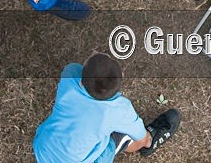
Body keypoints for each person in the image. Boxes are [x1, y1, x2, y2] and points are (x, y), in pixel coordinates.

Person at [34, 52, 181, 161]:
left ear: (81, 82)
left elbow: (79, 70)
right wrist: (145, 138)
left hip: (42, 148)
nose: (93, 52)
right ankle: (150, 144)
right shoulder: (119, 110)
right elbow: (139, 134)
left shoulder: (70, 74)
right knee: (127, 136)